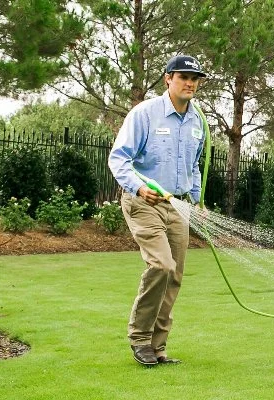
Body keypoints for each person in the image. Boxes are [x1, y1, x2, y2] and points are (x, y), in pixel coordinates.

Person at [108, 55, 208, 366]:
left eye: (195, 78)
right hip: (144, 201)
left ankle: (158, 347)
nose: (190, 83)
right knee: (162, 265)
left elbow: (193, 166)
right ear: (168, 78)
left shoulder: (198, 122)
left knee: (174, 275)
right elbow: (118, 158)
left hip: (178, 205)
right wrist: (138, 187)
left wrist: (196, 201)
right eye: (183, 77)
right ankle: (140, 338)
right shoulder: (145, 114)